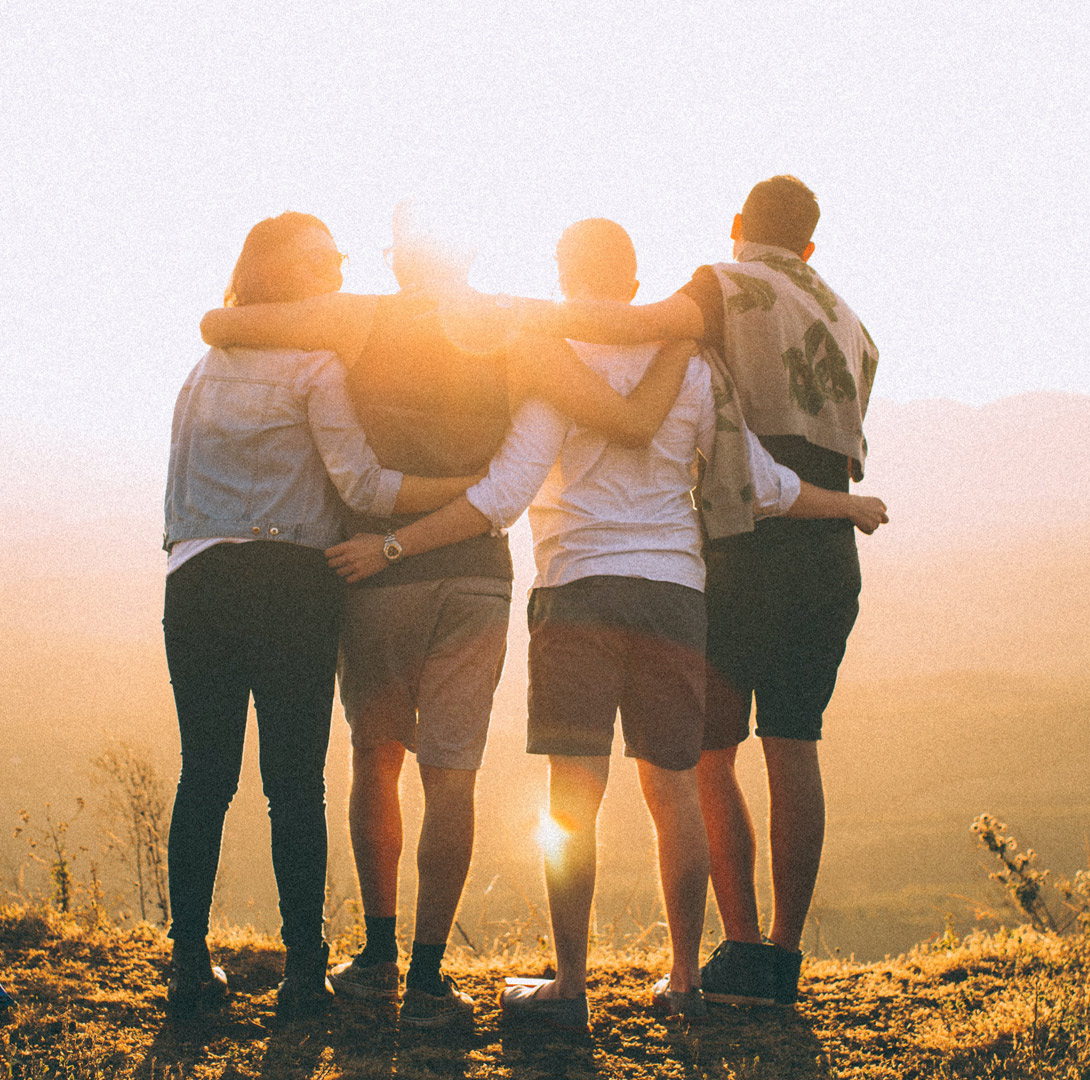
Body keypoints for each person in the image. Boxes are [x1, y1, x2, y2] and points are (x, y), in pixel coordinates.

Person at [326, 219, 886, 1030]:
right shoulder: (693, 366)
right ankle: (687, 980)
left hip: (577, 591)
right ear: (633, 283)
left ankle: (571, 986)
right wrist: (848, 505)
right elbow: (761, 483)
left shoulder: (554, 362)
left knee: (572, 800)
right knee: (674, 793)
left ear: (563, 276)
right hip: (674, 597)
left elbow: (504, 495)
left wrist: (394, 544)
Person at [199, 203, 692, 1027]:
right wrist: (684, 336)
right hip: (475, 577)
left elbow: (223, 324)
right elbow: (628, 419)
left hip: (375, 570)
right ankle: (429, 978)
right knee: (451, 775)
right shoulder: (515, 332)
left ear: (399, 262)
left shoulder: (356, 321)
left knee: (376, 758)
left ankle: (378, 954)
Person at [524, 177, 884, 1007]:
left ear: (736, 227)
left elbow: (636, 326)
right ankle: (780, 963)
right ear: (812, 245)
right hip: (825, 545)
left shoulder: (723, 286)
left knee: (706, 757)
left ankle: (738, 948)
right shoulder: (853, 322)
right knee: (795, 746)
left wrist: (514, 317)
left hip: (743, 542)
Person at [160, 212, 482, 1021]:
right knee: (293, 785)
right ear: (284, 275)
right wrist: (467, 492)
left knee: (204, 777)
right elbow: (365, 490)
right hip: (290, 585)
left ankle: (189, 966)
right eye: (323, 260)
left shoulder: (202, 370)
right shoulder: (315, 366)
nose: (338, 270)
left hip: (195, 581)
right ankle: (305, 970)